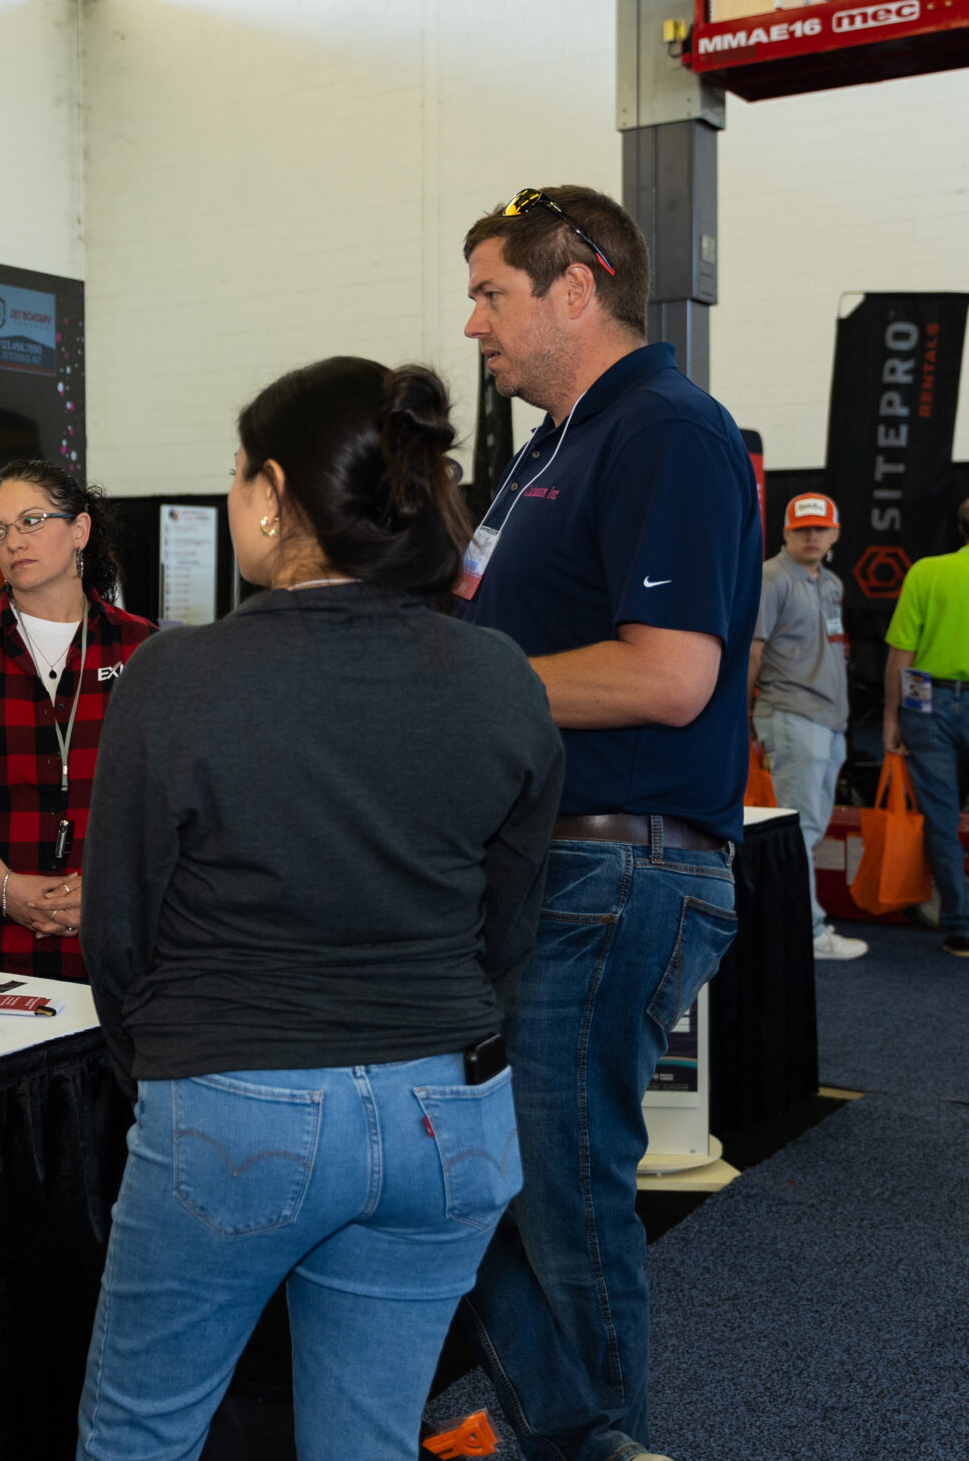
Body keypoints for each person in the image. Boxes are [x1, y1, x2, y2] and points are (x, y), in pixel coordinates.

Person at [76, 358, 560, 1459]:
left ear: (273, 490)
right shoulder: (501, 677)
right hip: (451, 1112)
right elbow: (512, 913)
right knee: (370, 1440)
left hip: (235, 1095)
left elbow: (119, 929)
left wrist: (165, 1066)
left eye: (238, 472)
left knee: (137, 1433)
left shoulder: (175, 673)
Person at [455, 185, 761, 1461]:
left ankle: (597, 1445)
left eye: (490, 291)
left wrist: (457, 686)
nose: (471, 321)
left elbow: (669, 675)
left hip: (613, 866)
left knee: (562, 1198)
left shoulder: (662, 429)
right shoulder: (553, 441)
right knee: (506, 1191)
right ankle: (564, 1436)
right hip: (557, 860)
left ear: (574, 287)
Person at [0, 458, 159, 978]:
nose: (12, 542)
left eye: (31, 521)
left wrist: (104, 885)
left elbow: (169, 799)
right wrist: (5, 887)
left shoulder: (142, 647)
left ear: (79, 530)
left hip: (116, 942)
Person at [753, 493, 865, 960]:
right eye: (803, 528)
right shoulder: (771, 578)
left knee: (810, 825)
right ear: (786, 532)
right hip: (792, 715)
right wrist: (741, 722)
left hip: (827, 722)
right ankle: (808, 932)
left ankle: (786, 923)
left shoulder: (832, 582)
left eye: (820, 528)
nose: (812, 535)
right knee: (799, 829)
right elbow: (752, 651)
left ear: (836, 533)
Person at [879, 497, 969, 960]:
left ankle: (961, 928)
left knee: (941, 818)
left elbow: (901, 654)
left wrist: (891, 717)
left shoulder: (927, 573)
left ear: (959, 528)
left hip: (926, 702)